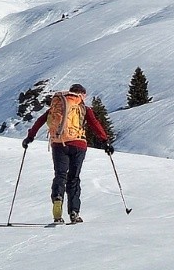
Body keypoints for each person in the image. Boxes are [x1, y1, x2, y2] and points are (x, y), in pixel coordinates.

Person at [21, 84, 112, 223]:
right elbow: (95, 124)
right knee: (74, 178)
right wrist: (105, 141)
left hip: (58, 144)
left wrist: (30, 137)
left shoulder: (58, 106)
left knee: (60, 175)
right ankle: (74, 211)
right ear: (81, 94)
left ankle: (58, 198)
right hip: (78, 145)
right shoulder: (83, 108)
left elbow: (40, 121)